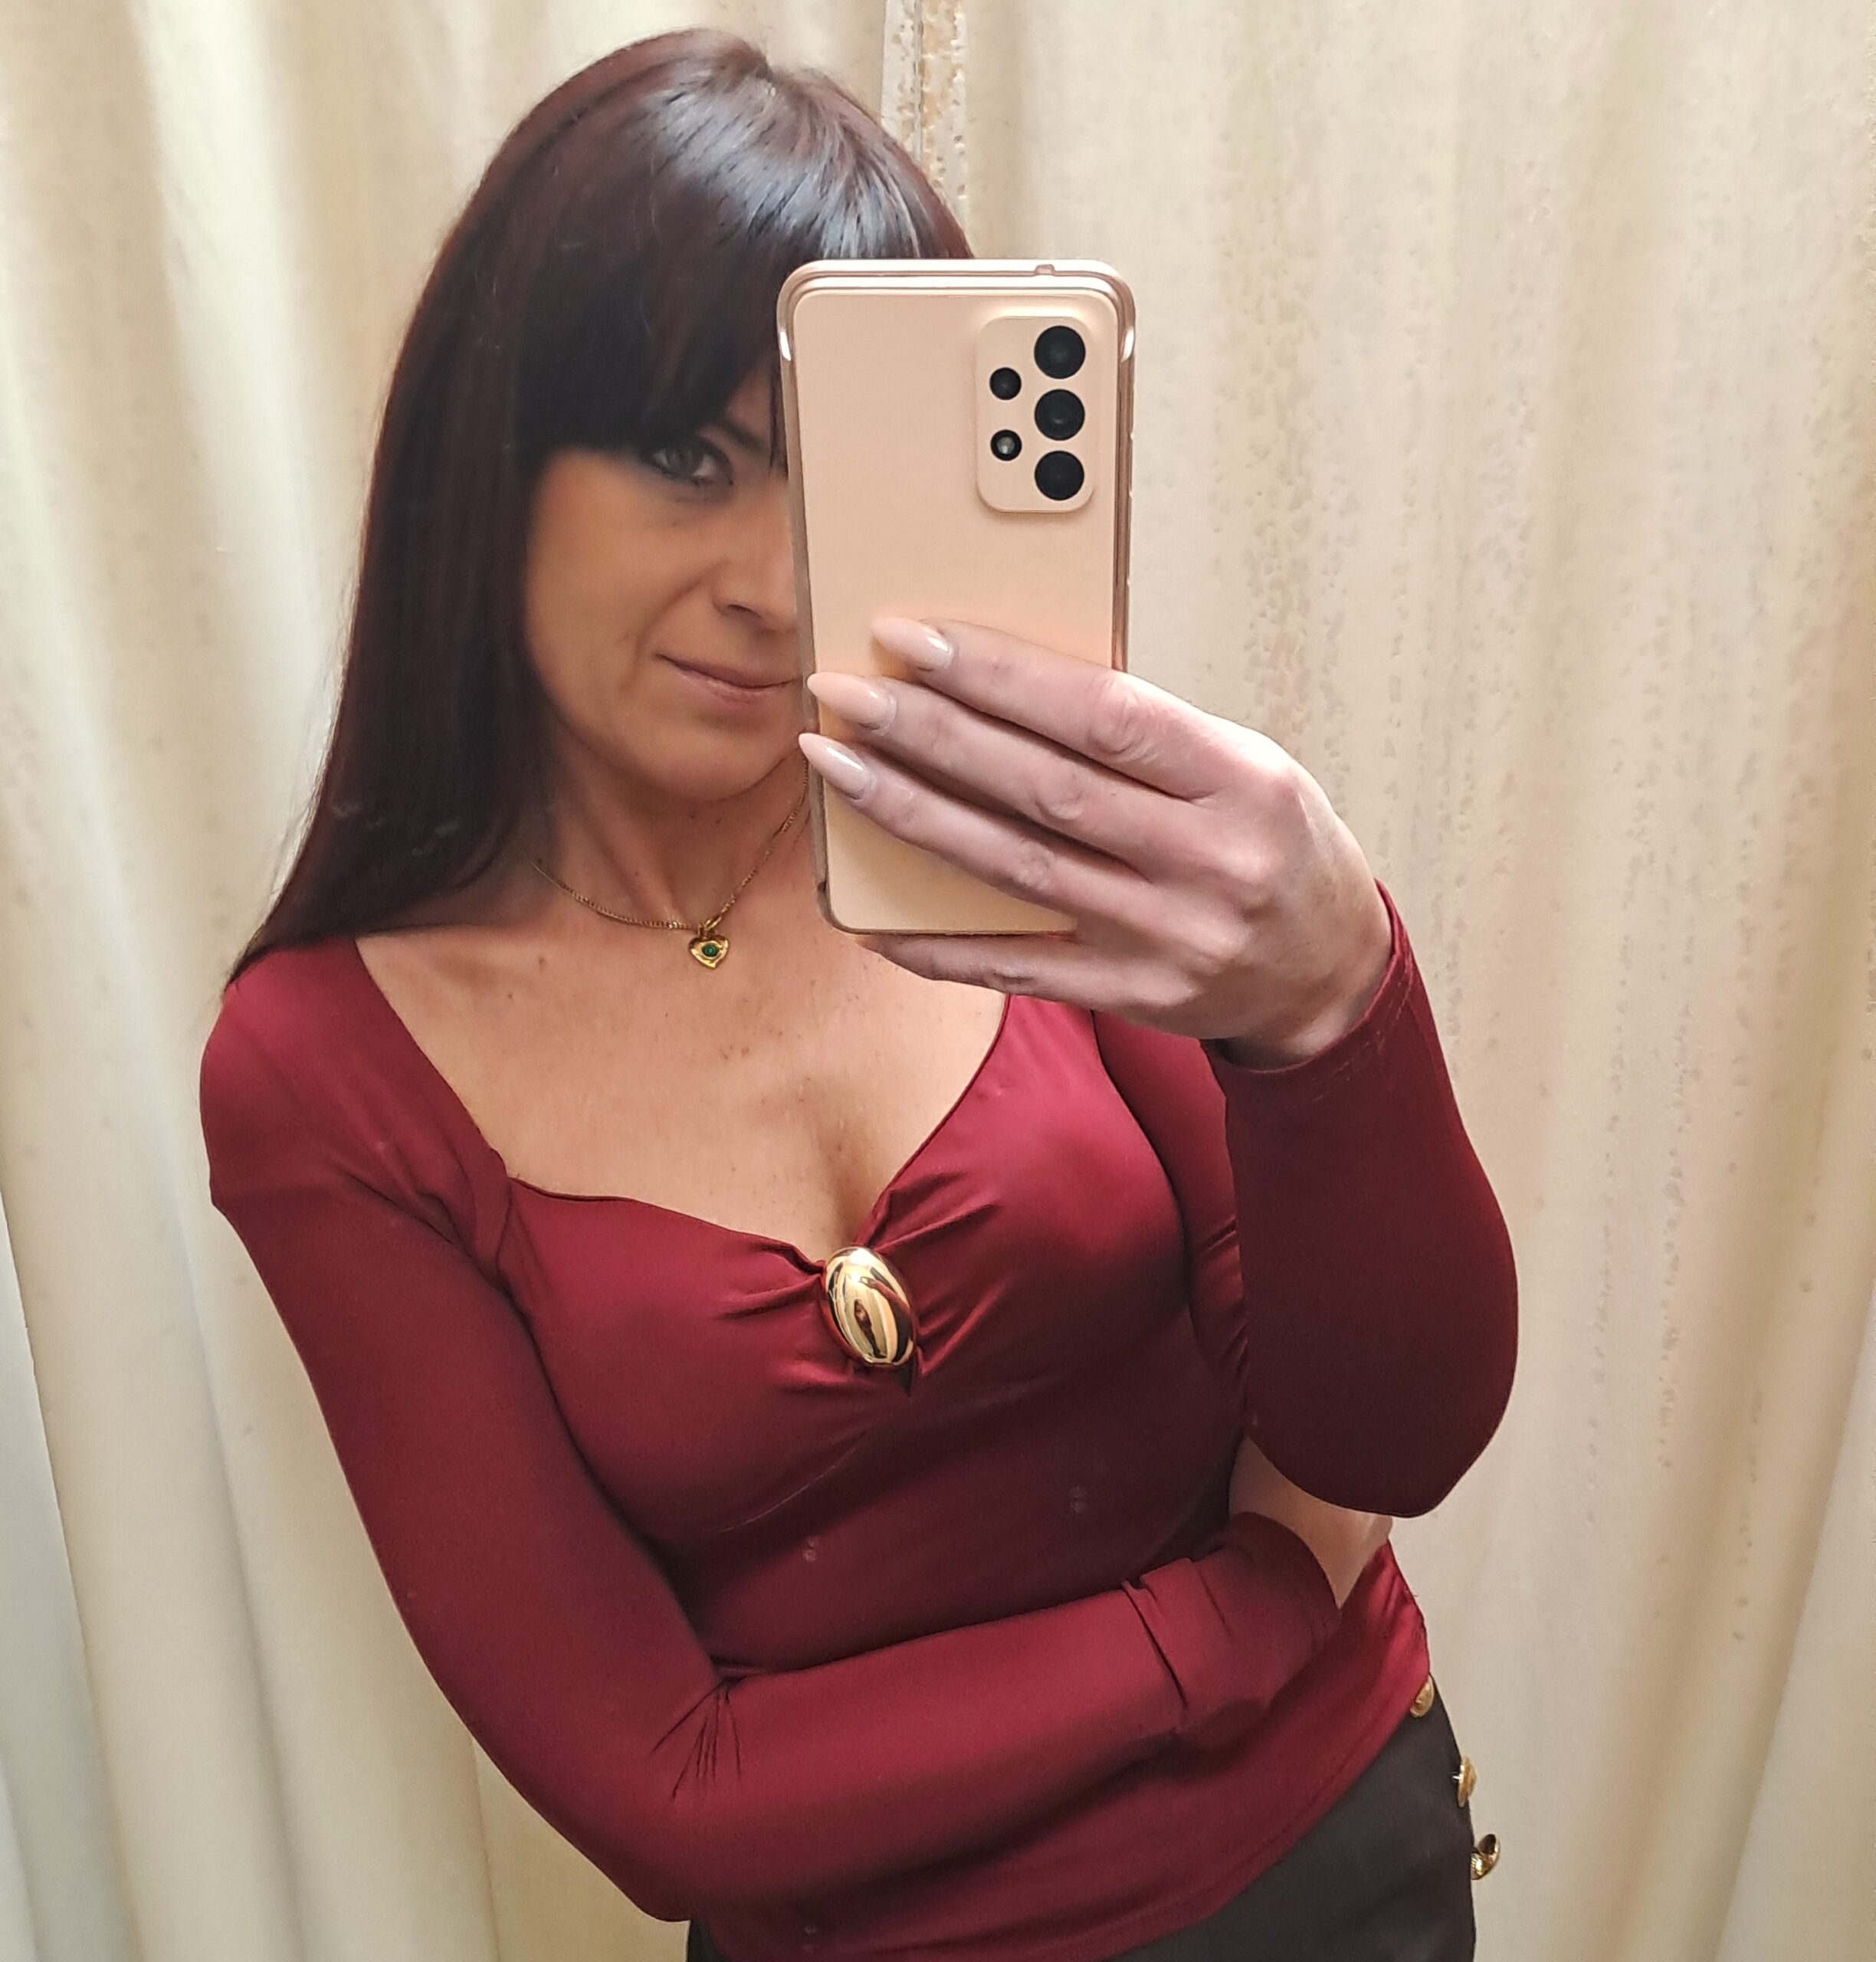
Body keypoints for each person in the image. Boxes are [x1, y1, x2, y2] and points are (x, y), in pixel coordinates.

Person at [198, 29, 1517, 1962]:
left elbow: (1386, 1438)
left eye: (838, 487)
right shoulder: (330, 1069)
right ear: (494, 455)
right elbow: (669, 1787)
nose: (774, 583)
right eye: (690, 458)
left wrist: (1337, 999)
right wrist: (1226, 1618)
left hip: (1340, 1870)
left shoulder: (1004, 831)